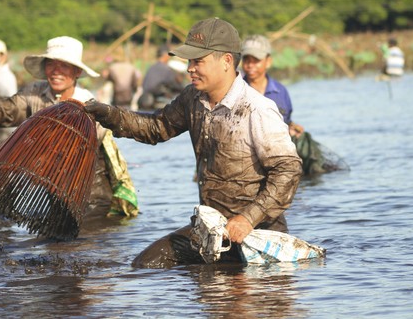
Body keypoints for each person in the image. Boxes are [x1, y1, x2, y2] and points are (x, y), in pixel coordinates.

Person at [85, 18, 302, 268]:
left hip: (257, 233)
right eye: (189, 61)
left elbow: (289, 170)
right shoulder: (193, 98)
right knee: (145, 265)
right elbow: (156, 127)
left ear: (226, 61)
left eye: (198, 61)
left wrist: (247, 218)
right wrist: (106, 113)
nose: (190, 68)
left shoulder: (257, 109)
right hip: (211, 227)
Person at [0, 36, 139, 225]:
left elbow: (85, 151)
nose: (56, 71)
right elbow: (5, 112)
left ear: (76, 71)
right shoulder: (34, 94)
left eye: (64, 66)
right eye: (51, 64)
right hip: (54, 189)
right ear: (44, 68)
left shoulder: (89, 105)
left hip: (90, 190)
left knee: (86, 243)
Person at [241, 35, 348, 176]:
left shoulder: (280, 91)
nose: (250, 65)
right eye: (246, 60)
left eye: (256, 61)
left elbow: (286, 119)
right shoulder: (238, 91)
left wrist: (292, 127)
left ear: (268, 62)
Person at [138, 45, 186, 110]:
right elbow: (174, 85)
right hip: (155, 101)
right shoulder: (166, 69)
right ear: (165, 56)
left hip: (145, 98)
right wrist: (185, 89)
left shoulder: (151, 67)